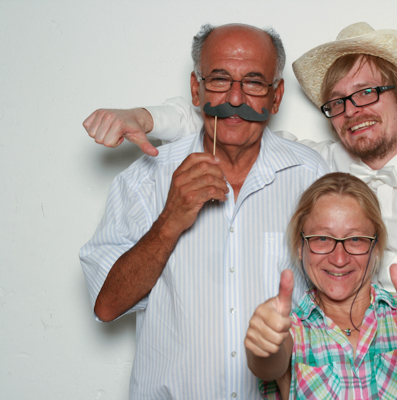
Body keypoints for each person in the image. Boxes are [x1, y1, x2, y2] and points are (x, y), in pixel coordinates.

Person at [83, 22, 397, 399]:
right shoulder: (313, 167)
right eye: (337, 102)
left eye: (367, 92)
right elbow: (232, 111)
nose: (352, 109)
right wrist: (146, 118)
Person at [79, 23, 330, 399]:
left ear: (276, 97)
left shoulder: (312, 178)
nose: (234, 97)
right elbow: (107, 305)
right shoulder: (146, 178)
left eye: (254, 82)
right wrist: (169, 220)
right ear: (196, 89)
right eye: (219, 79)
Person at [245, 172, 397, 399]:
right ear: (300, 246)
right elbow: (267, 366)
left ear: (376, 248)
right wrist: (264, 345)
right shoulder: (290, 330)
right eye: (323, 239)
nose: (339, 259)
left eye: (356, 239)